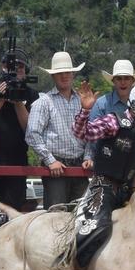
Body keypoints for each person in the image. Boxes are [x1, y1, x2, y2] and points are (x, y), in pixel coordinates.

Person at [63, 80, 135, 270]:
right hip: (102, 185)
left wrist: (133, 195)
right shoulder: (113, 121)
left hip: (127, 190)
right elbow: (84, 134)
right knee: (95, 226)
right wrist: (86, 110)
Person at [0, 53, 40, 223]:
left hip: (17, 164)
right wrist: (0, 99)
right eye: (11, 68)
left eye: (20, 68)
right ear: (3, 68)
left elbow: (30, 129)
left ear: (26, 71)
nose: (16, 72)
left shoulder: (31, 94)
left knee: (14, 215)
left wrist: (18, 101)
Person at [25, 51, 92, 209]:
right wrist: (50, 160)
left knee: (80, 217)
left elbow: (90, 133)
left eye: (67, 72)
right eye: (59, 73)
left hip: (79, 165)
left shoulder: (82, 100)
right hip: (56, 166)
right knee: (56, 216)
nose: (64, 76)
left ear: (72, 74)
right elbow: (32, 134)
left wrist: (88, 156)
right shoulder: (44, 102)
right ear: (53, 77)